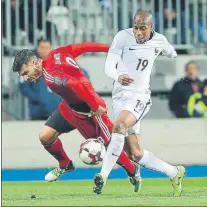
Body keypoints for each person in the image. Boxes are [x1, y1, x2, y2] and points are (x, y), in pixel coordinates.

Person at [12, 42, 141, 191]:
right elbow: (85, 46)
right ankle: (65, 165)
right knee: (45, 137)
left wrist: (94, 106)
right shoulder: (57, 53)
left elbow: (75, 84)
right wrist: (110, 48)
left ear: (34, 62)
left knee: (111, 146)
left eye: (25, 73)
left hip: (89, 111)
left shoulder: (50, 75)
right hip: (69, 107)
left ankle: (133, 172)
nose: (26, 78)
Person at [93, 10, 185, 196]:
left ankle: (103, 175)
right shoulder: (122, 37)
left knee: (119, 126)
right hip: (120, 97)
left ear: (151, 27)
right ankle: (175, 172)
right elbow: (109, 64)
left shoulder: (159, 40)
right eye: (136, 28)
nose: (139, 32)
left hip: (140, 96)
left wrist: (171, 54)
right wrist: (118, 75)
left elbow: (171, 52)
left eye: (143, 28)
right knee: (135, 154)